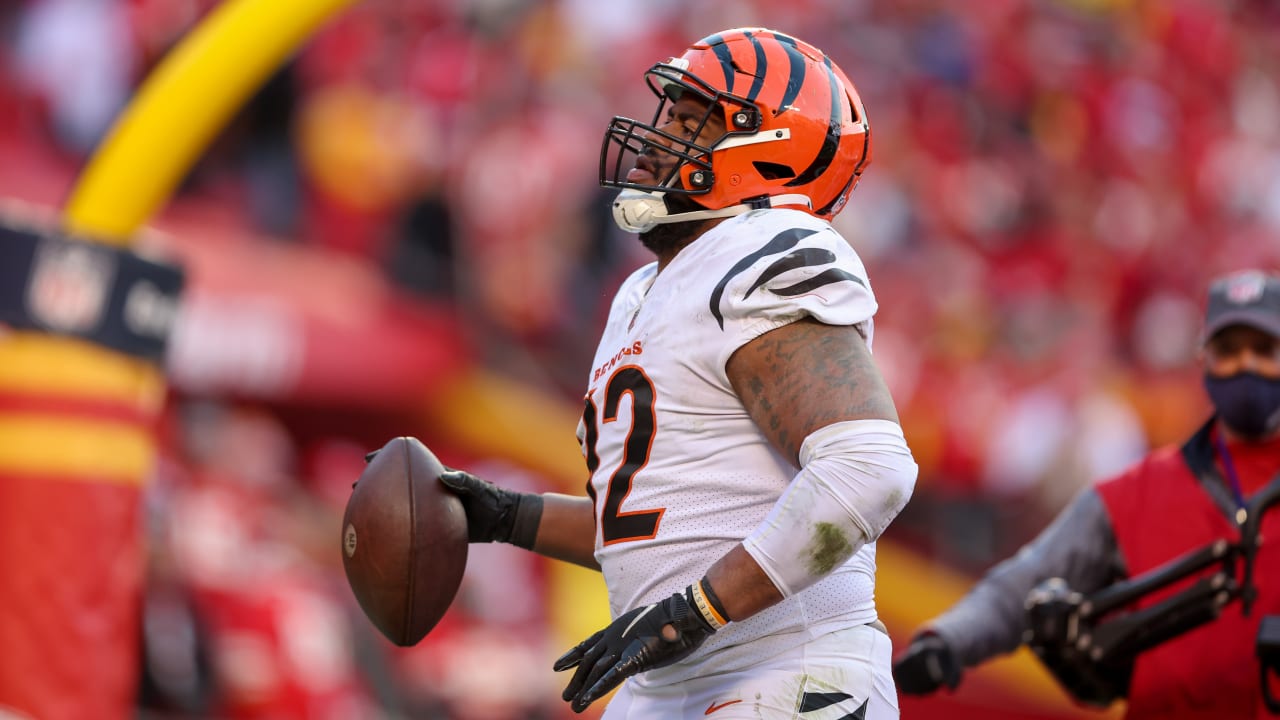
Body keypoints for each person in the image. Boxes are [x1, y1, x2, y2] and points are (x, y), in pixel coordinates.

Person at [434, 27, 917, 718]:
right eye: (670, 115)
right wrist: (510, 517)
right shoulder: (644, 291)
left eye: (691, 120)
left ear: (772, 154)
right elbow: (663, 534)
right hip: (669, 686)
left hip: (786, 673)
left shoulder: (763, 249)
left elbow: (869, 469)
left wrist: (694, 613)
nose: (660, 136)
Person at [892, 268, 1280, 720]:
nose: (1245, 365)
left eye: (1264, 350)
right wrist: (949, 639)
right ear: (1204, 359)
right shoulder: (1140, 491)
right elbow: (1028, 580)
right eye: (1229, 351)